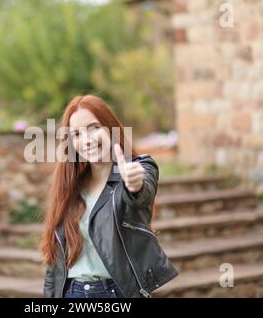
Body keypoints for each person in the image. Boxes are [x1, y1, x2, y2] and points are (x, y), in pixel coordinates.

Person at [41, 94, 178, 298]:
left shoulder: (137, 168)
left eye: (94, 128)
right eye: (76, 134)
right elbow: (55, 259)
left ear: (111, 128)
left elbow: (142, 193)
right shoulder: (70, 187)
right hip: (71, 292)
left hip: (116, 293)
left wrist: (135, 183)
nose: (86, 140)